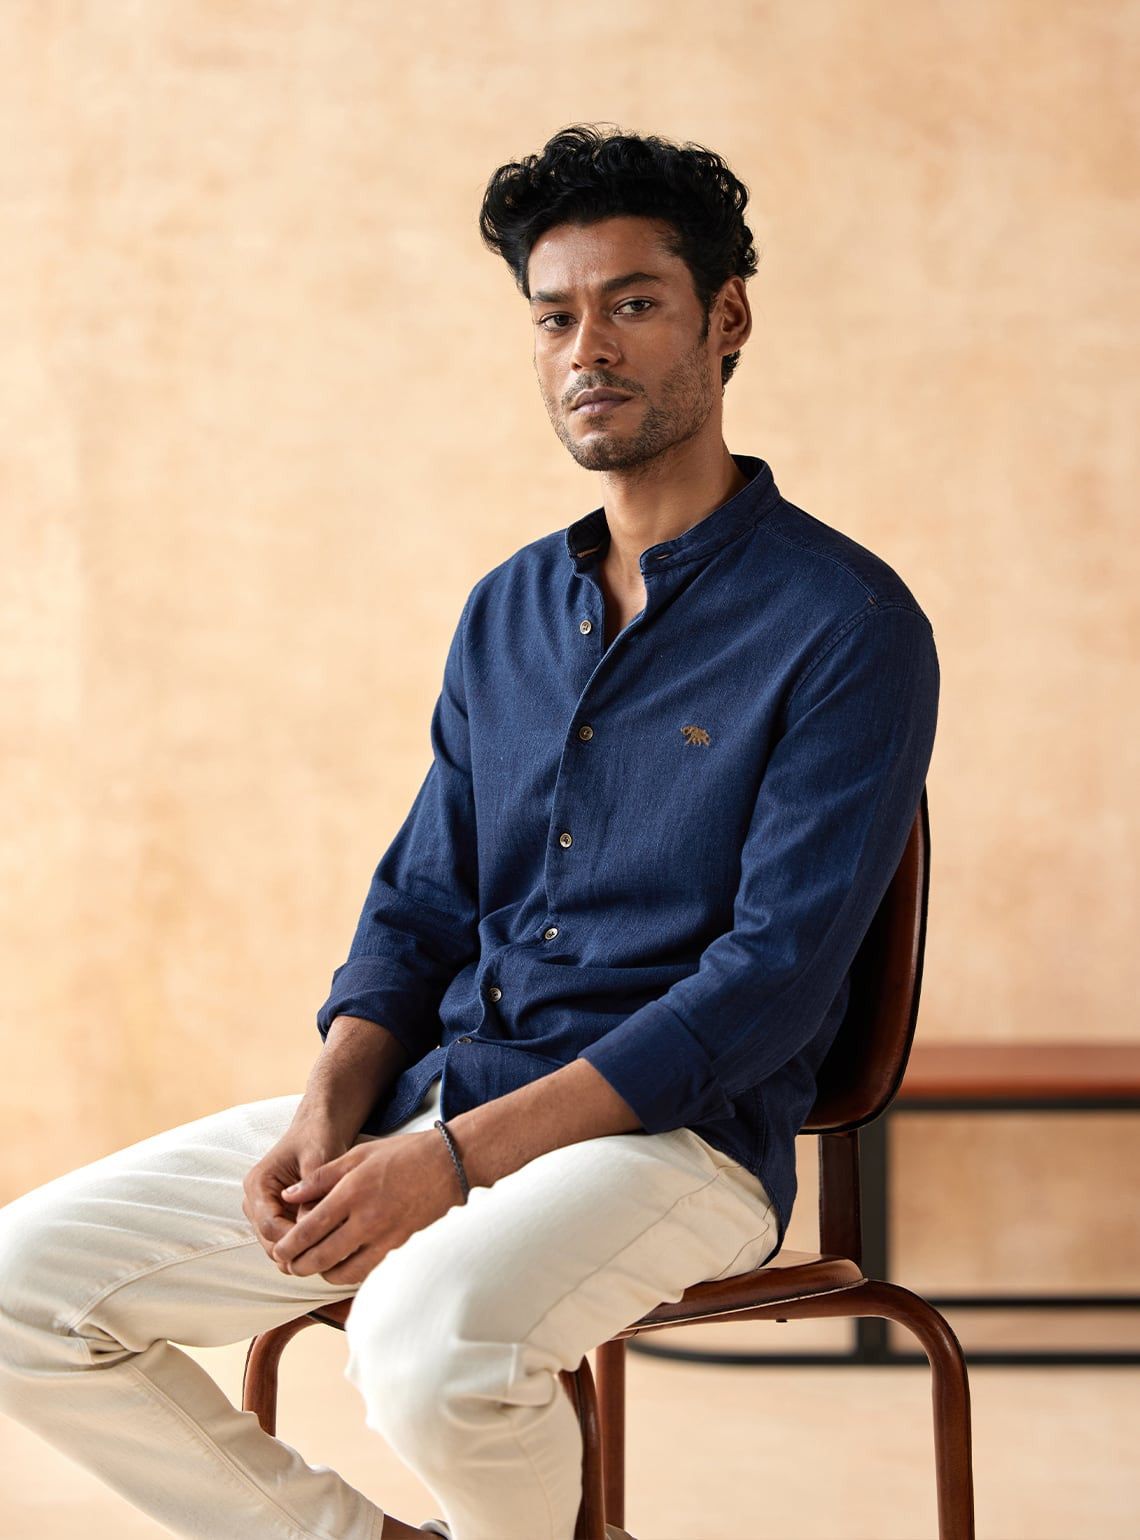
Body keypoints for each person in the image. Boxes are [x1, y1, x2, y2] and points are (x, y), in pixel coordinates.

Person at [0, 126, 939, 1540]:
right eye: (554, 318)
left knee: (424, 1347)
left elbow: (769, 985)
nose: (588, 349)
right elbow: (419, 904)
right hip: (435, 1093)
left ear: (727, 318)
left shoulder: (846, 624)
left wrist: (452, 1164)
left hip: (674, 1144)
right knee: (20, 1286)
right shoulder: (509, 610)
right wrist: (331, 1108)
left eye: (633, 303)